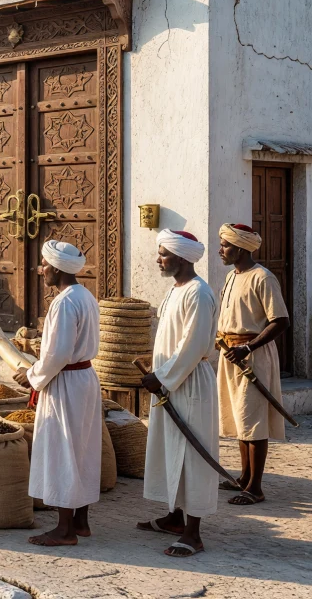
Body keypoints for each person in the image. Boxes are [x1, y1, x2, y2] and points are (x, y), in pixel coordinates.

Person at [14, 241, 103, 547]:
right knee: (83, 448)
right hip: (84, 379)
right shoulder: (85, 296)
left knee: (64, 448)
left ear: (55, 268)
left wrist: (32, 376)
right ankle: (81, 521)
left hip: (66, 382)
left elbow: (58, 354)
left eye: (43, 265)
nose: (41, 271)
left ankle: (64, 530)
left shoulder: (64, 302)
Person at [138, 229, 218, 558]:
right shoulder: (175, 290)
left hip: (189, 384)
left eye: (164, 254)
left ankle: (193, 533)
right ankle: (173, 517)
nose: (158, 259)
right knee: (170, 449)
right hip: (170, 382)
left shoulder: (198, 293)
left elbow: (193, 346)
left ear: (183, 257)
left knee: (193, 456)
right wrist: (161, 375)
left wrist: (162, 377)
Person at [215, 223, 289, 506]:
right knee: (239, 417)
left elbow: (280, 321)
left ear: (242, 248)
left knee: (253, 419)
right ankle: (244, 478)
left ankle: (255, 488)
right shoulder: (233, 277)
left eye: (226, 246)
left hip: (253, 355)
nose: (221, 250)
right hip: (230, 353)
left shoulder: (263, 277)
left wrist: (248, 347)